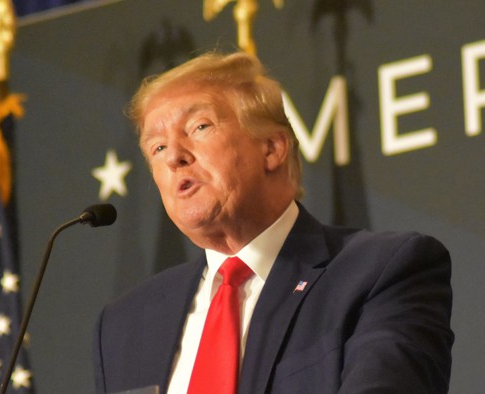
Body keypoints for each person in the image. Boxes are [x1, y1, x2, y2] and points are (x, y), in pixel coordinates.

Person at [92, 51, 454, 394]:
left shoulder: (380, 273)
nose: (174, 157)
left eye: (199, 126)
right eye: (156, 148)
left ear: (272, 148)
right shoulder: (125, 325)